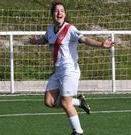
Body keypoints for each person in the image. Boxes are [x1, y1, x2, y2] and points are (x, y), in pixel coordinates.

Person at [27, 1, 114, 135]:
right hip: (57, 71)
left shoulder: (70, 29)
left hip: (70, 71)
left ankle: (78, 131)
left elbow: (84, 39)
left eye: (62, 10)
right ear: (52, 14)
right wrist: (34, 42)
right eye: (56, 11)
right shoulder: (50, 29)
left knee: (65, 103)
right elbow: (45, 39)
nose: (59, 13)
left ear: (65, 14)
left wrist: (101, 44)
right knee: (49, 102)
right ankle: (79, 101)